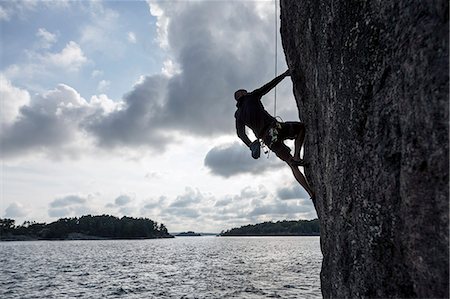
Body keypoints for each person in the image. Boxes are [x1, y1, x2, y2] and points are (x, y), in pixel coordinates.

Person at [234, 69, 315, 199]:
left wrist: (251, 144)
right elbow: (268, 86)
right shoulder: (251, 96)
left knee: (291, 164)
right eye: (245, 91)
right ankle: (297, 155)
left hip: (267, 139)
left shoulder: (238, 115)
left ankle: (310, 192)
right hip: (276, 128)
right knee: (300, 128)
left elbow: (240, 134)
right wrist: (284, 75)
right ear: (243, 94)